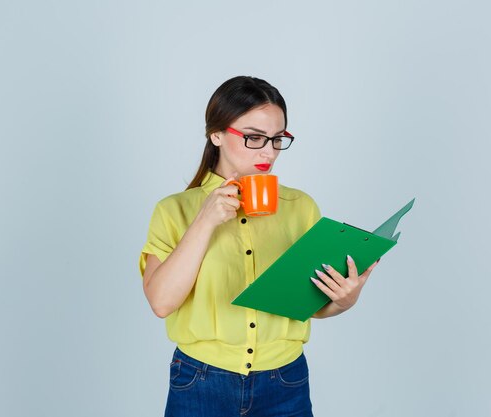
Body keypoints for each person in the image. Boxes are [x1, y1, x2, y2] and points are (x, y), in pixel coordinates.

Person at [139, 76, 379, 417]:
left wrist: (344, 300)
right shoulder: (174, 210)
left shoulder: (301, 207)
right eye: (254, 138)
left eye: (277, 139)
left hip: (285, 381)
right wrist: (205, 221)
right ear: (217, 134)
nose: (269, 151)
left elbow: (308, 304)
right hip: (200, 381)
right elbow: (162, 303)